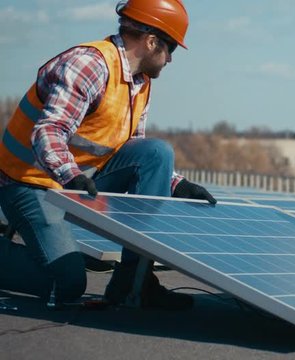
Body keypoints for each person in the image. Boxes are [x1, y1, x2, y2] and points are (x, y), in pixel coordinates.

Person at [0, 0, 216, 310]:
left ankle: (134, 282)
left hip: (77, 181)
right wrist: (70, 176)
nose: (170, 58)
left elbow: (132, 150)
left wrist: (176, 184)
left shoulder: (140, 82)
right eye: (170, 48)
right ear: (151, 41)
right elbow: (48, 131)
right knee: (69, 282)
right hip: (28, 182)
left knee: (156, 152)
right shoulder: (89, 65)